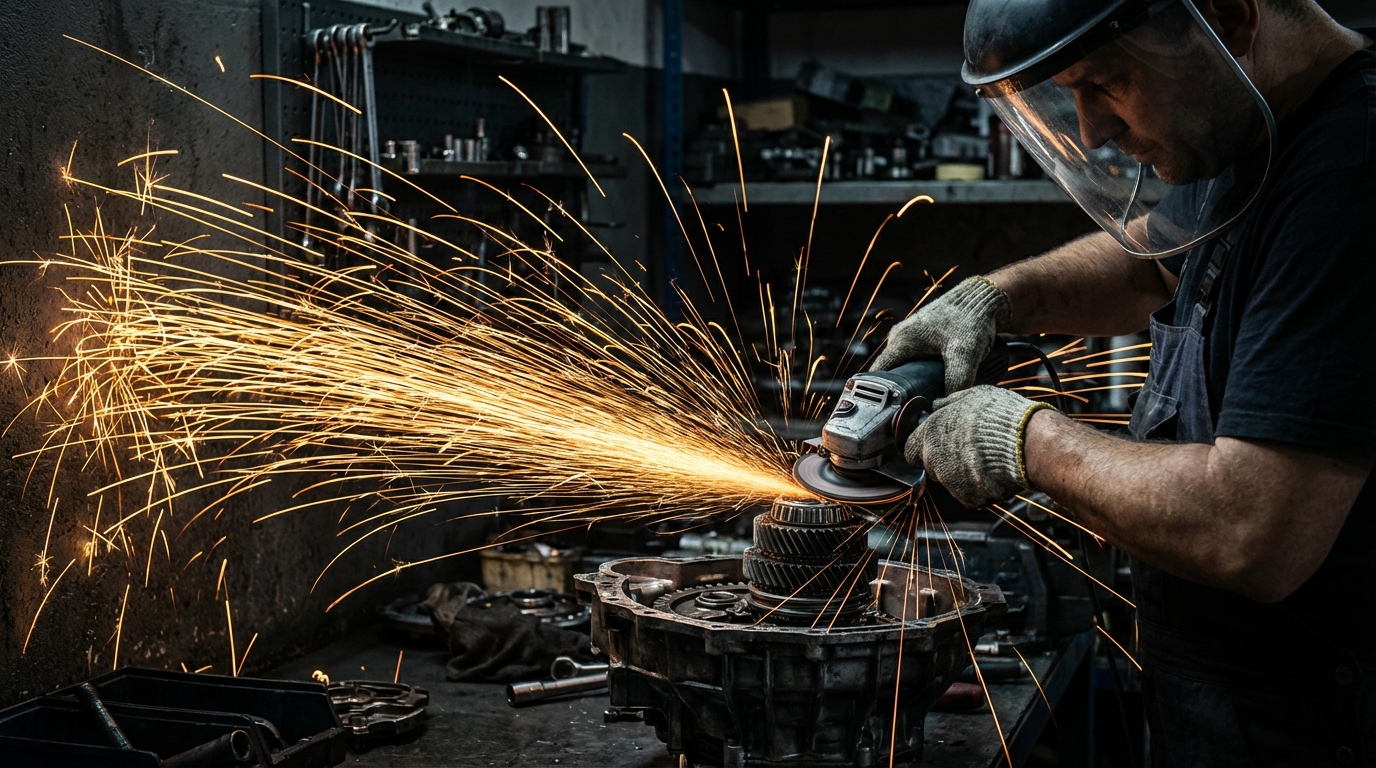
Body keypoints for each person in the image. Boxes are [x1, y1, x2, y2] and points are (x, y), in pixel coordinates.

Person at [874, 0, 1376, 762]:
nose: (1090, 132)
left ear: (1231, 18)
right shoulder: (1252, 121)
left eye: (1106, 81)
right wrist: (1000, 296)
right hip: (1225, 700)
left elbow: (1252, 530)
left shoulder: (1349, 177)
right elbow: (1157, 256)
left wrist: (1022, 439)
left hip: (1319, 726)